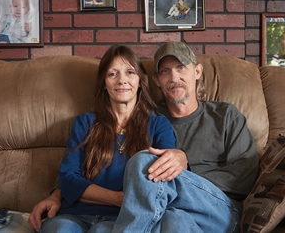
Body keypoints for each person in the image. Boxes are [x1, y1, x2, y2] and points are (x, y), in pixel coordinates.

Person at [28, 42, 259, 233]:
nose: (174, 77)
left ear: (197, 72)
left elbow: (245, 174)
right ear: (156, 80)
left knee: (143, 163)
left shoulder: (224, 115)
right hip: (170, 210)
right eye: (165, 71)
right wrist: (58, 194)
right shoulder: (150, 117)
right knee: (174, 221)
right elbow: (70, 172)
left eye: (181, 68)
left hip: (215, 208)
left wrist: (183, 166)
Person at [28, 45, 176, 232]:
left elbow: (166, 177)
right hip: (75, 214)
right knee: (59, 228)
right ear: (104, 84)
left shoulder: (158, 125)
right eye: (112, 74)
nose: (122, 80)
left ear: (140, 81)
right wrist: (117, 198)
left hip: (125, 219)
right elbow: (68, 178)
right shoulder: (85, 123)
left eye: (130, 72)